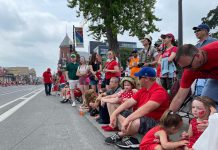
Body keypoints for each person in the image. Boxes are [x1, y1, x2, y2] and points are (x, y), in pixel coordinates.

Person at [105, 67, 169, 149]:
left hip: (156, 123)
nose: (137, 80)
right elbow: (129, 102)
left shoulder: (159, 91)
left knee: (135, 120)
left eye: (139, 77)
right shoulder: (144, 89)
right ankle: (128, 132)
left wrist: (128, 120)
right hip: (143, 118)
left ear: (146, 79)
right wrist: (114, 113)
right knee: (118, 109)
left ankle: (124, 135)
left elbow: (145, 109)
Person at [169, 41, 218, 112]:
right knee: (204, 104)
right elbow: (179, 97)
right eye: (184, 68)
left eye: (188, 66)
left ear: (197, 56)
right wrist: (169, 116)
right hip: (215, 79)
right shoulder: (189, 70)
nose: (187, 70)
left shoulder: (215, 50)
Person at [192, 24, 217, 99]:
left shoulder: (214, 41)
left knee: (208, 98)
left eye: (198, 30)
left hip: (213, 76)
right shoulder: (196, 46)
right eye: (195, 31)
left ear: (205, 31)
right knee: (200, 96)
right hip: (200, 76)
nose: (196, 32)